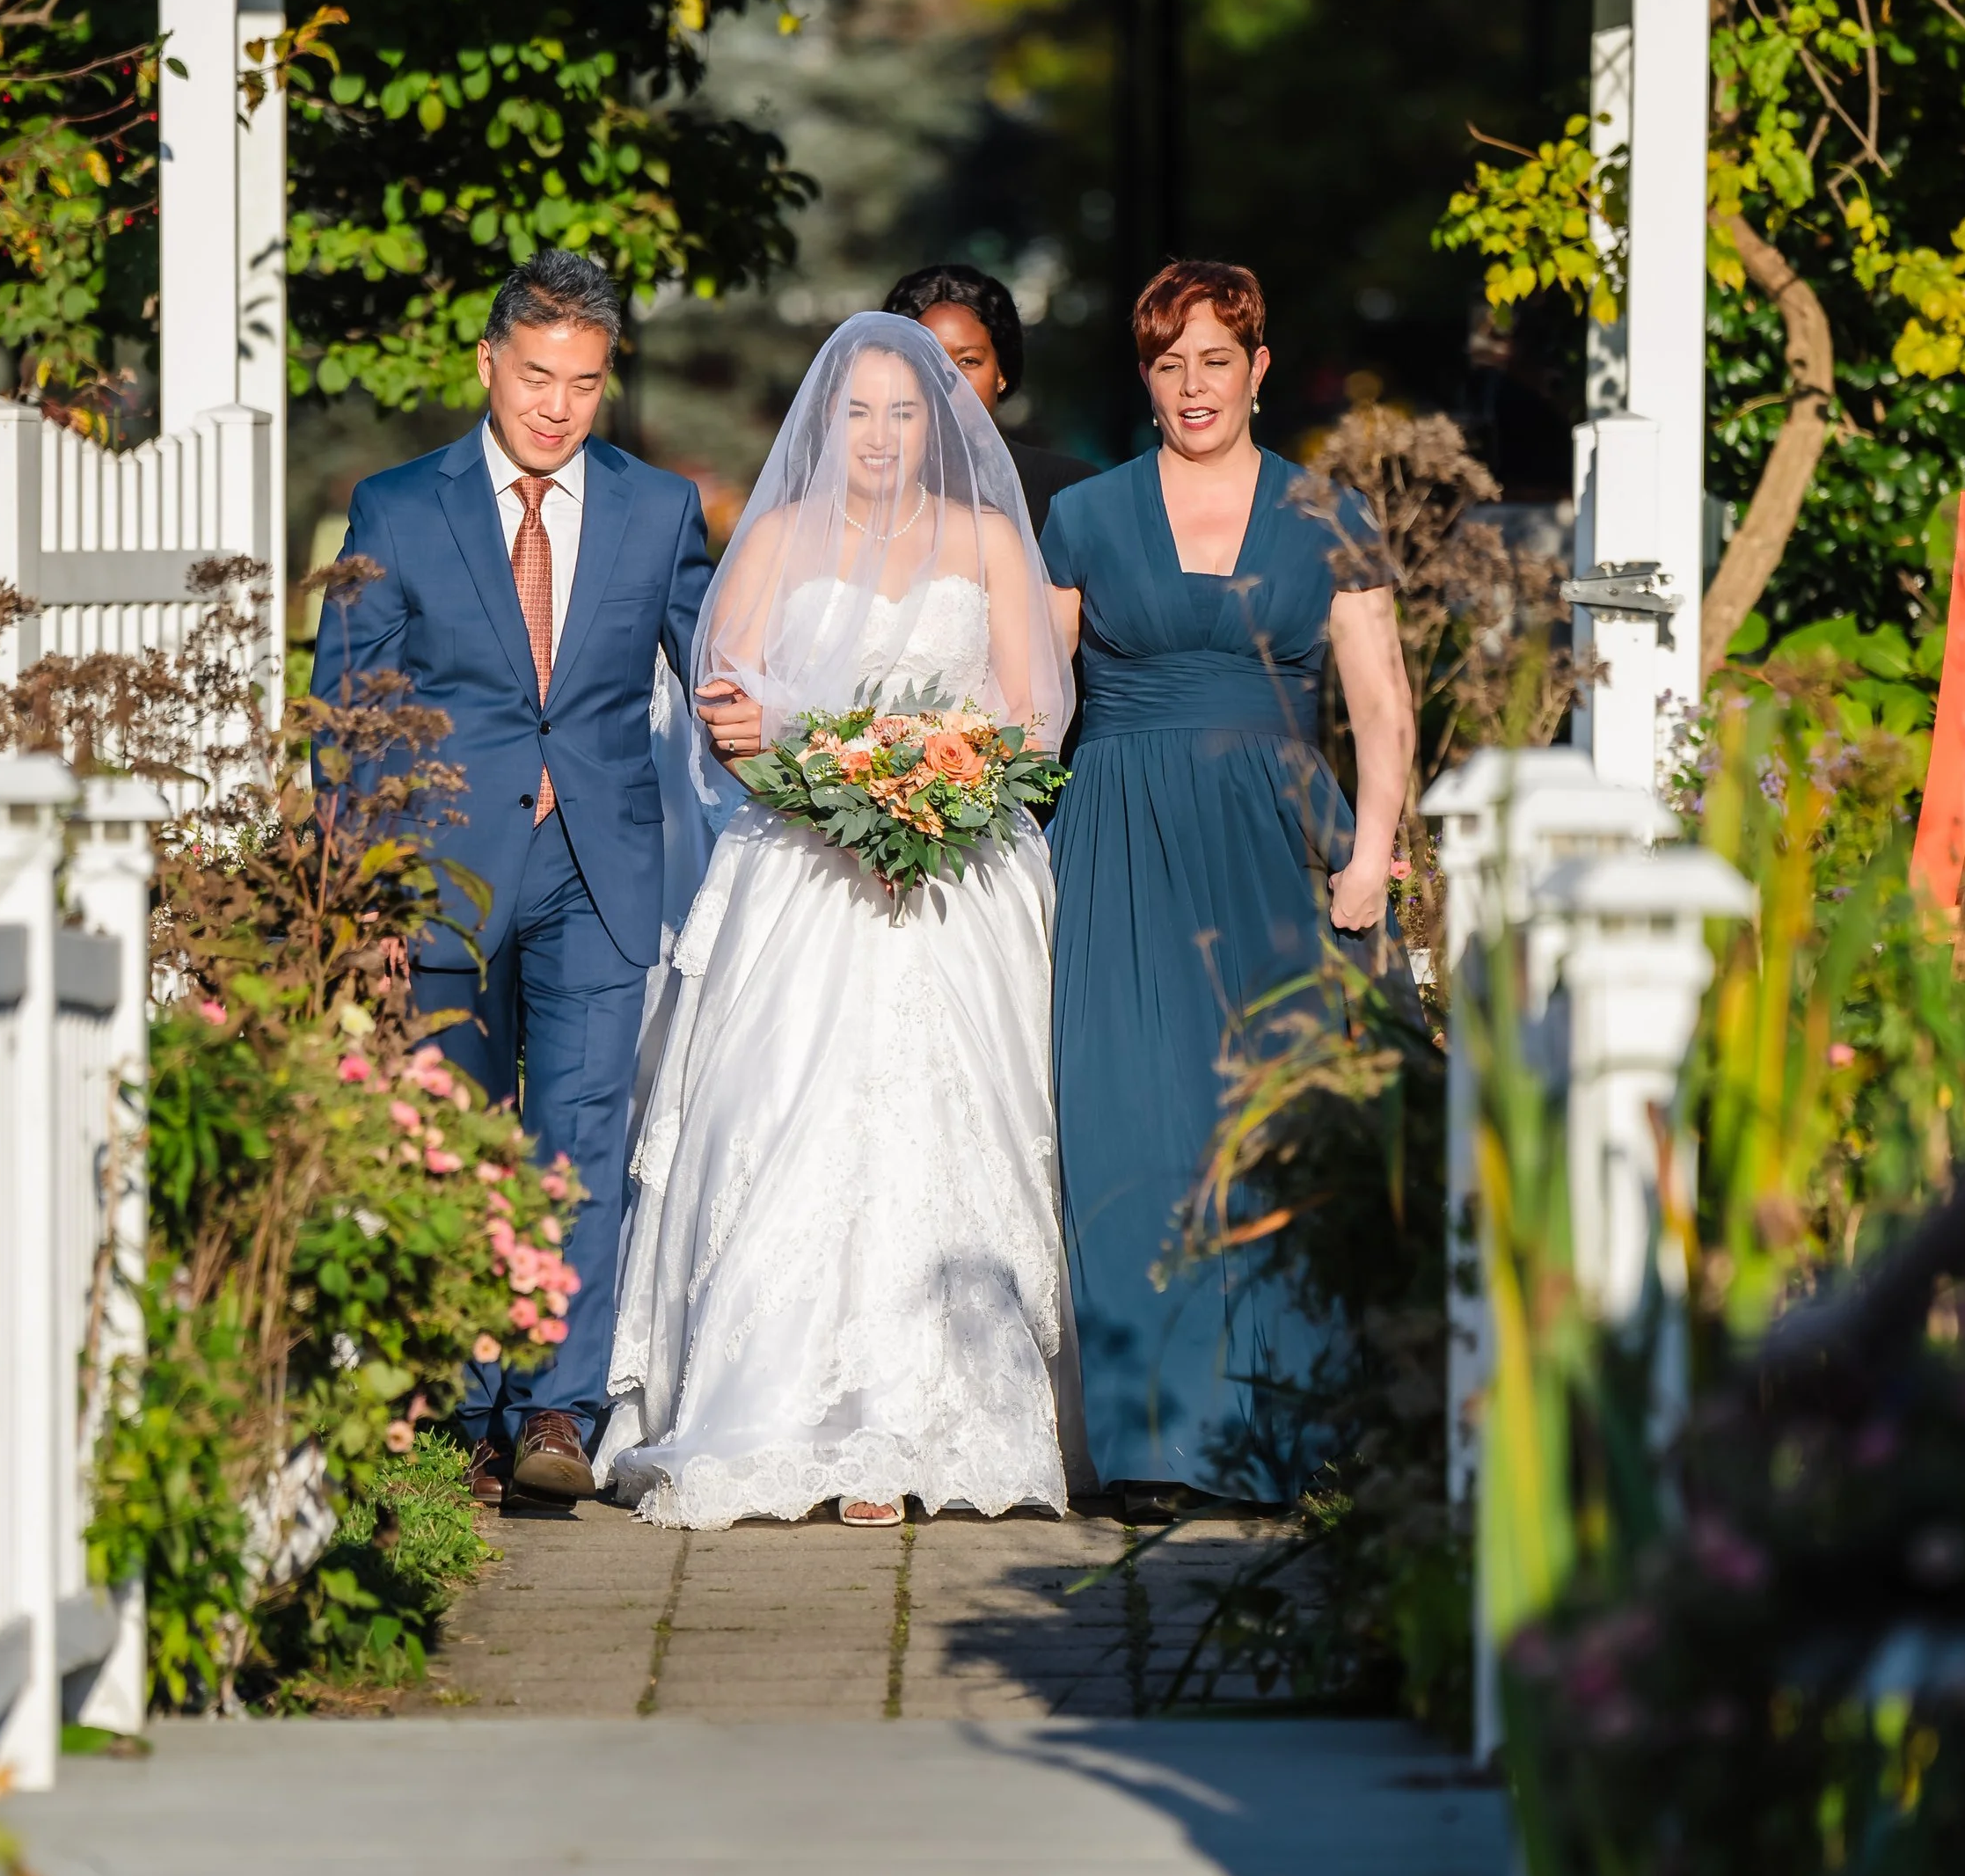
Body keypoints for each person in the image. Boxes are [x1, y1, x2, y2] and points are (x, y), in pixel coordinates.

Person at [595, 314, 1077, 1529]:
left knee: (939, 1124)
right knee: (791, 1121)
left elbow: (1032, 716)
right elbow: (727, 713)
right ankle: (800, 1409)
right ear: (827, 422)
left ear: (942, 422)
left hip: (955, 874)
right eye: (857, 412)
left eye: (902, 412)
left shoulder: (984, 540)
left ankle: (936, 1415)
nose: (878, 435)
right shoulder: (774, 541)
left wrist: (946, 778)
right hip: (804, 872)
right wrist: (833, 771)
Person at [311, 248, 712, 1507]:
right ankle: (462, 1407)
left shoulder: (658, 509)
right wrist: (365, 883)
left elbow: (724, 667)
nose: (555, 406)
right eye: (536, 376)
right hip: (441, 874)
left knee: (582, 1135)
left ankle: (556, 1409)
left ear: (606, 383)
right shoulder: (397, 507)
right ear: (489, 364)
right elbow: (349, 711)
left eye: (583, 384)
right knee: (456, 1137)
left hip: (601, 863)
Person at [1039, 257, 1415, 1518]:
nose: (1192, 385)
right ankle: (1150, 1441)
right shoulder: (1085, 516)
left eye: (1215, 360)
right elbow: (1031, 702)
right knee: (1129, 1122)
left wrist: (1370, 852)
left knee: (1277, 1126)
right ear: (1142, 378)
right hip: (1117, 841)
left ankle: (1282, 1435)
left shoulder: (1328, 514)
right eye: (1166, 362)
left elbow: (1380, 701)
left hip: (1279, 845)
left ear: (1258, 368)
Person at [882, 261, 1092, 540]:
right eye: (927, 361)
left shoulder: (1070, 492)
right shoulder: (866, 488)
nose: (948, 379)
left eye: (968, 361)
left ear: (1001, 371)